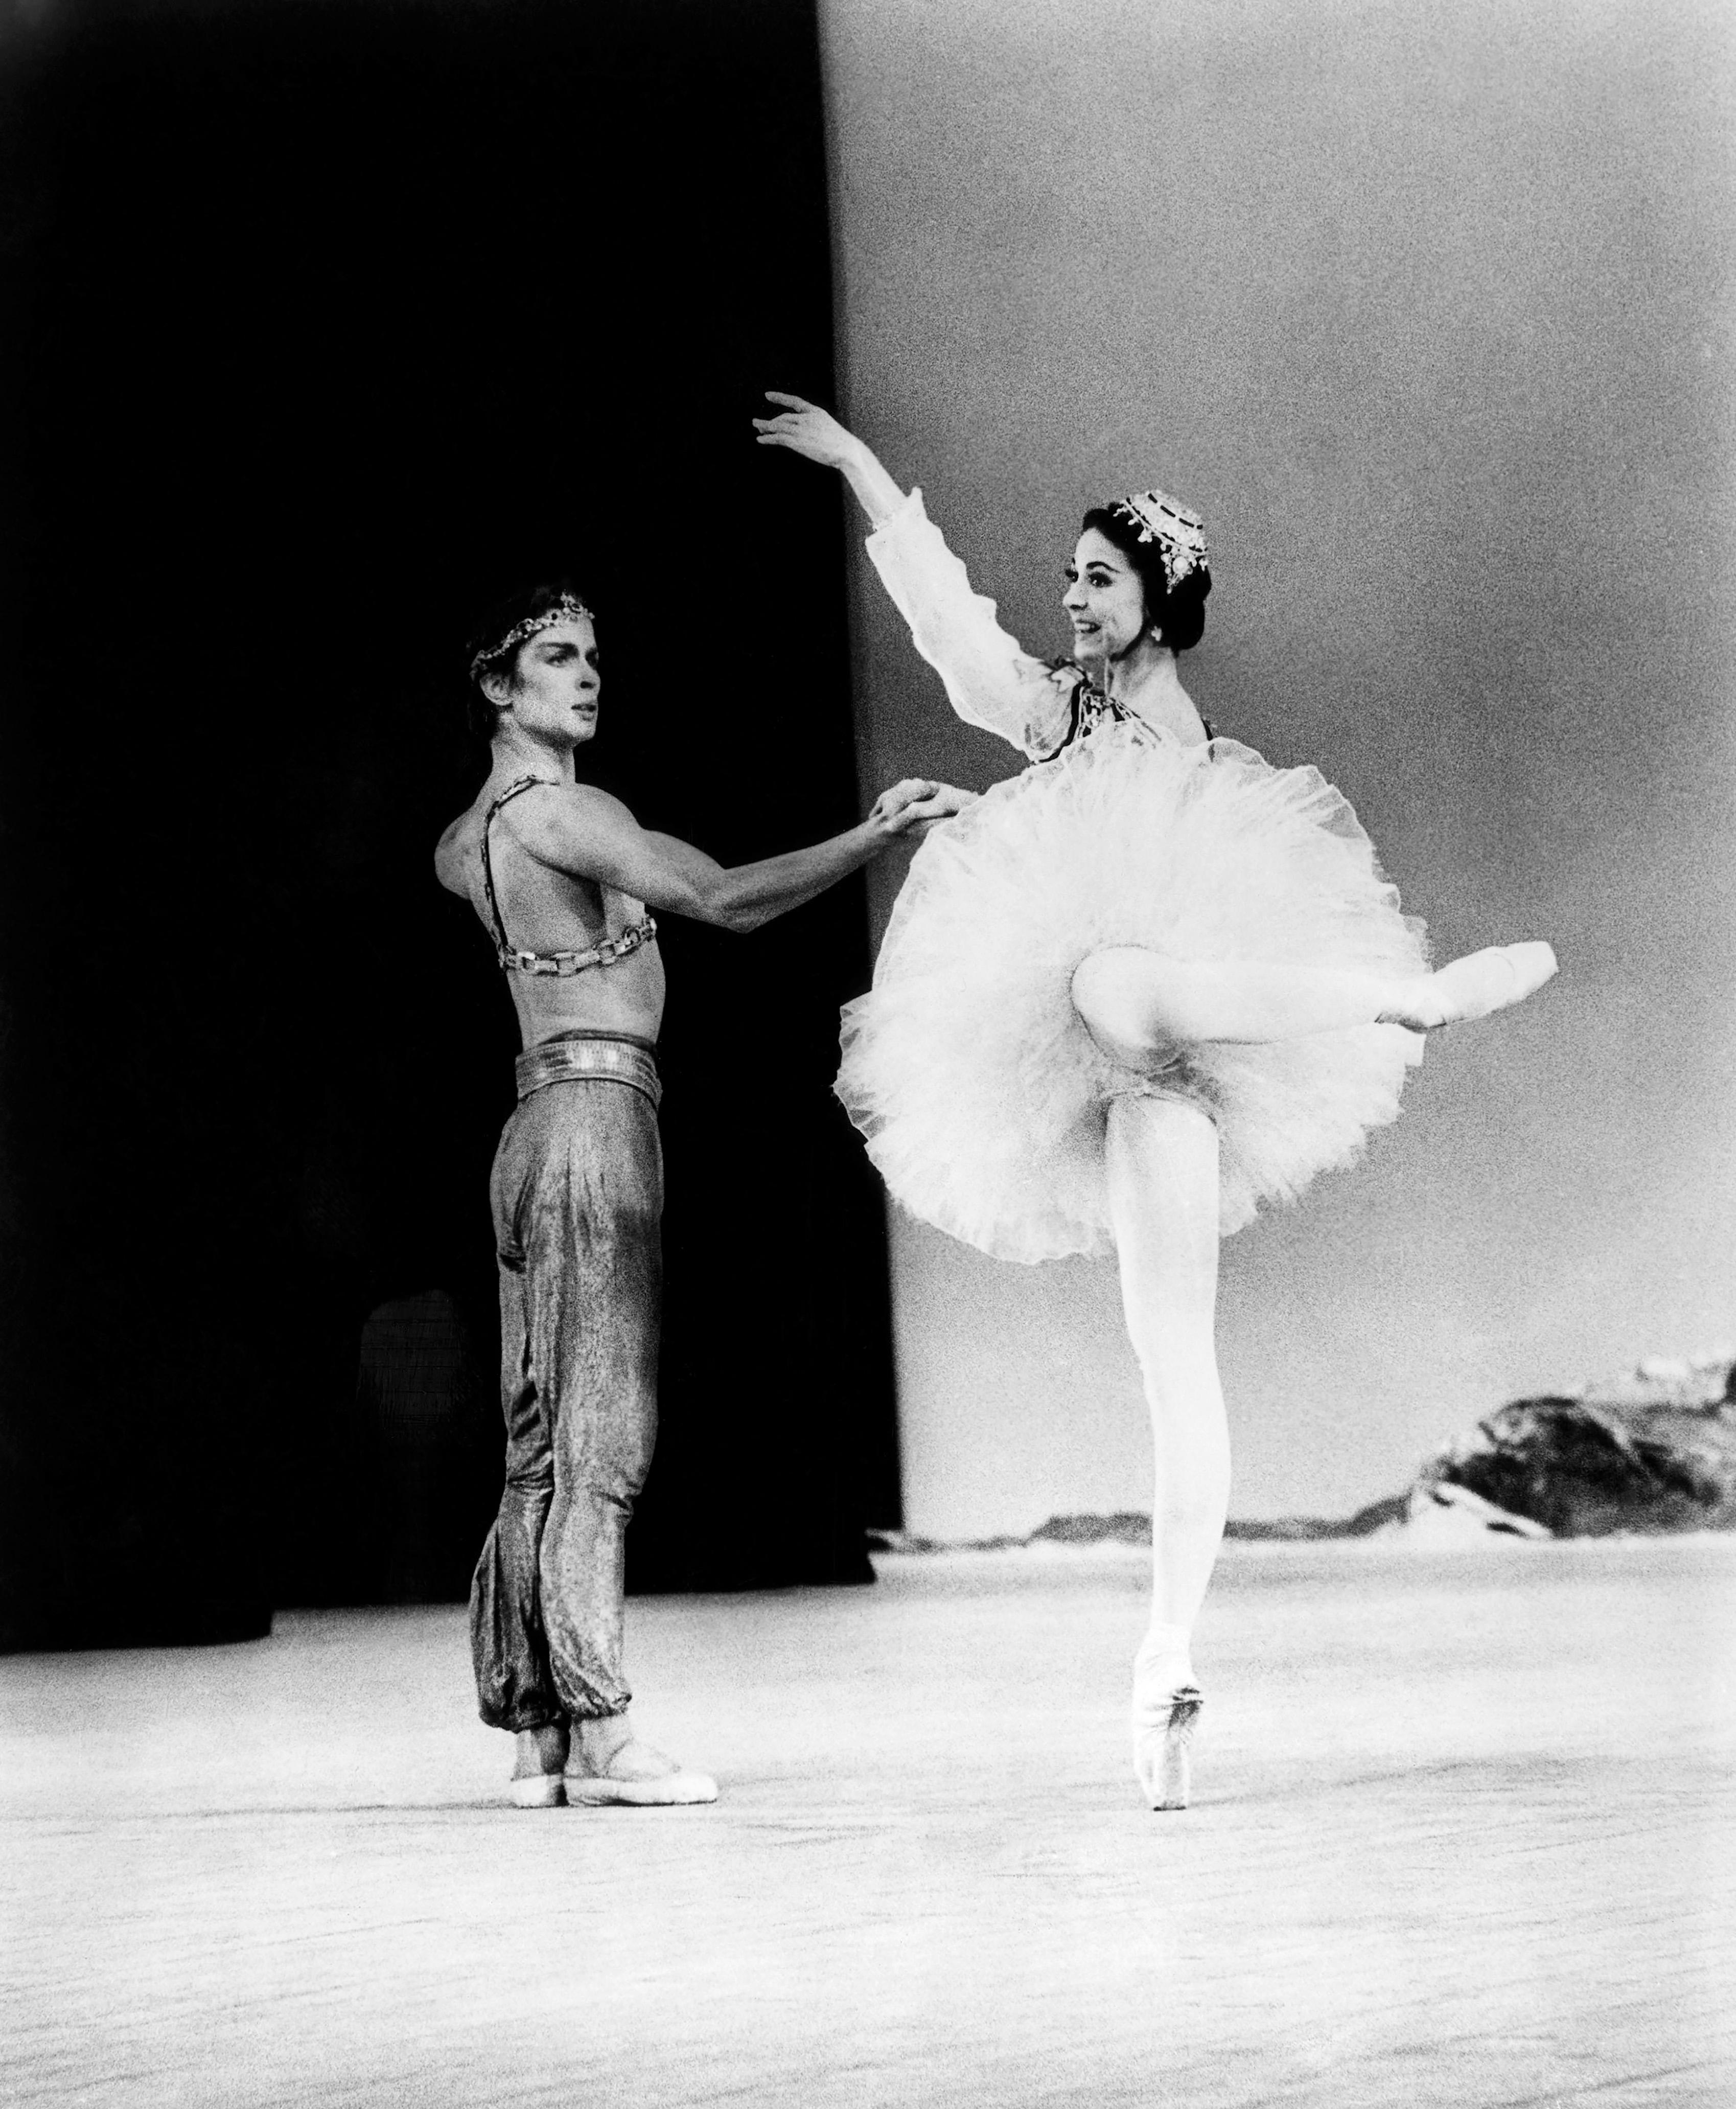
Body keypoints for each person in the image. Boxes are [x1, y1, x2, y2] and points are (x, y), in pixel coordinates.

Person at [753, 393, 1558, 1810]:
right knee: (1165, 1362)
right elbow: (951, 633)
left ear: (1158, 602)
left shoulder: (1163, 737)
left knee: (1116, 981)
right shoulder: (1058, 713)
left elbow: (1091, 781)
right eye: (1067, 578)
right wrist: (865, 472)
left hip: (1169, 1021)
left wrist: (1012, 807)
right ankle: (1162, 1659)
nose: (1068, 600)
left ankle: (1405, 998)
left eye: (1096, 580)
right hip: (1126, 1081)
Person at [435, 581, 968, 1808]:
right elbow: (724, 898)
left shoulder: (472, 836)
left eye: (594, 656)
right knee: (601, 1436)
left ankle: (540, 1735)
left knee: (536, 1446)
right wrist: (872, 837)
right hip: (594, 1122)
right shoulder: (564, 812)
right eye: (558, 658)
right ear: (497, 689)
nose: (588, 676)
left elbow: (460, 868)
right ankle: (608, 1729)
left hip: (529, 1126)